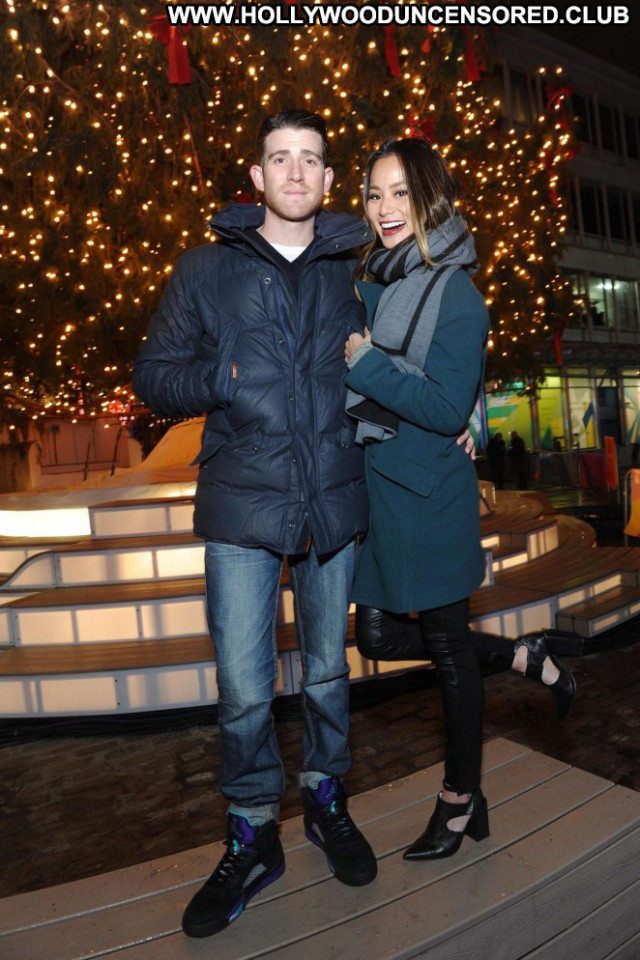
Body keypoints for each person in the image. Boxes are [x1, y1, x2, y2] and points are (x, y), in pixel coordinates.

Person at [133, 110, 474, 938]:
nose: (295, 172)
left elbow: (420, 357)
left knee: (326, 673)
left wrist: (470, 421)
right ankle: (253, 834)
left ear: (326, 181)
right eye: (279, 158)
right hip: (241, 506)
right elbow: (153, 375)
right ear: (257, 177)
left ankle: (326, 800)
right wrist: (219, 376)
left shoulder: (351, 277)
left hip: (332, 503)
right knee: (245, 688)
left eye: (311, 159)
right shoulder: (205, 270)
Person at [344, 137, 582, 863]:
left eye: (401, 193)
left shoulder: (456, 293)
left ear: (432, 200)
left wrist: (367, 366)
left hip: (427, 494)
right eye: (374, 194)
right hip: (379, 489)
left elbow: (449, 407)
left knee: (449, 652)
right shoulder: (375, 277)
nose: (385, 209)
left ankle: (460, 799)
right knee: (377, 638)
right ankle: (523, 655)